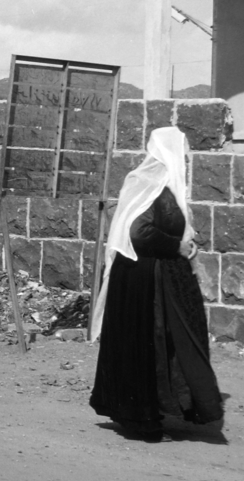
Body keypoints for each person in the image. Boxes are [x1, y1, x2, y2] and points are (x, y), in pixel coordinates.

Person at [89, 125, 223, 440]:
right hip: (142, 279)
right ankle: (141, 416)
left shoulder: (165, 185)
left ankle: (163, 406)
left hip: (155, 276)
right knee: (149, 343)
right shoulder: (148, 183)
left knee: (165, 345)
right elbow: (139, 233)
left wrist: (185, 245)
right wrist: (175, 246)